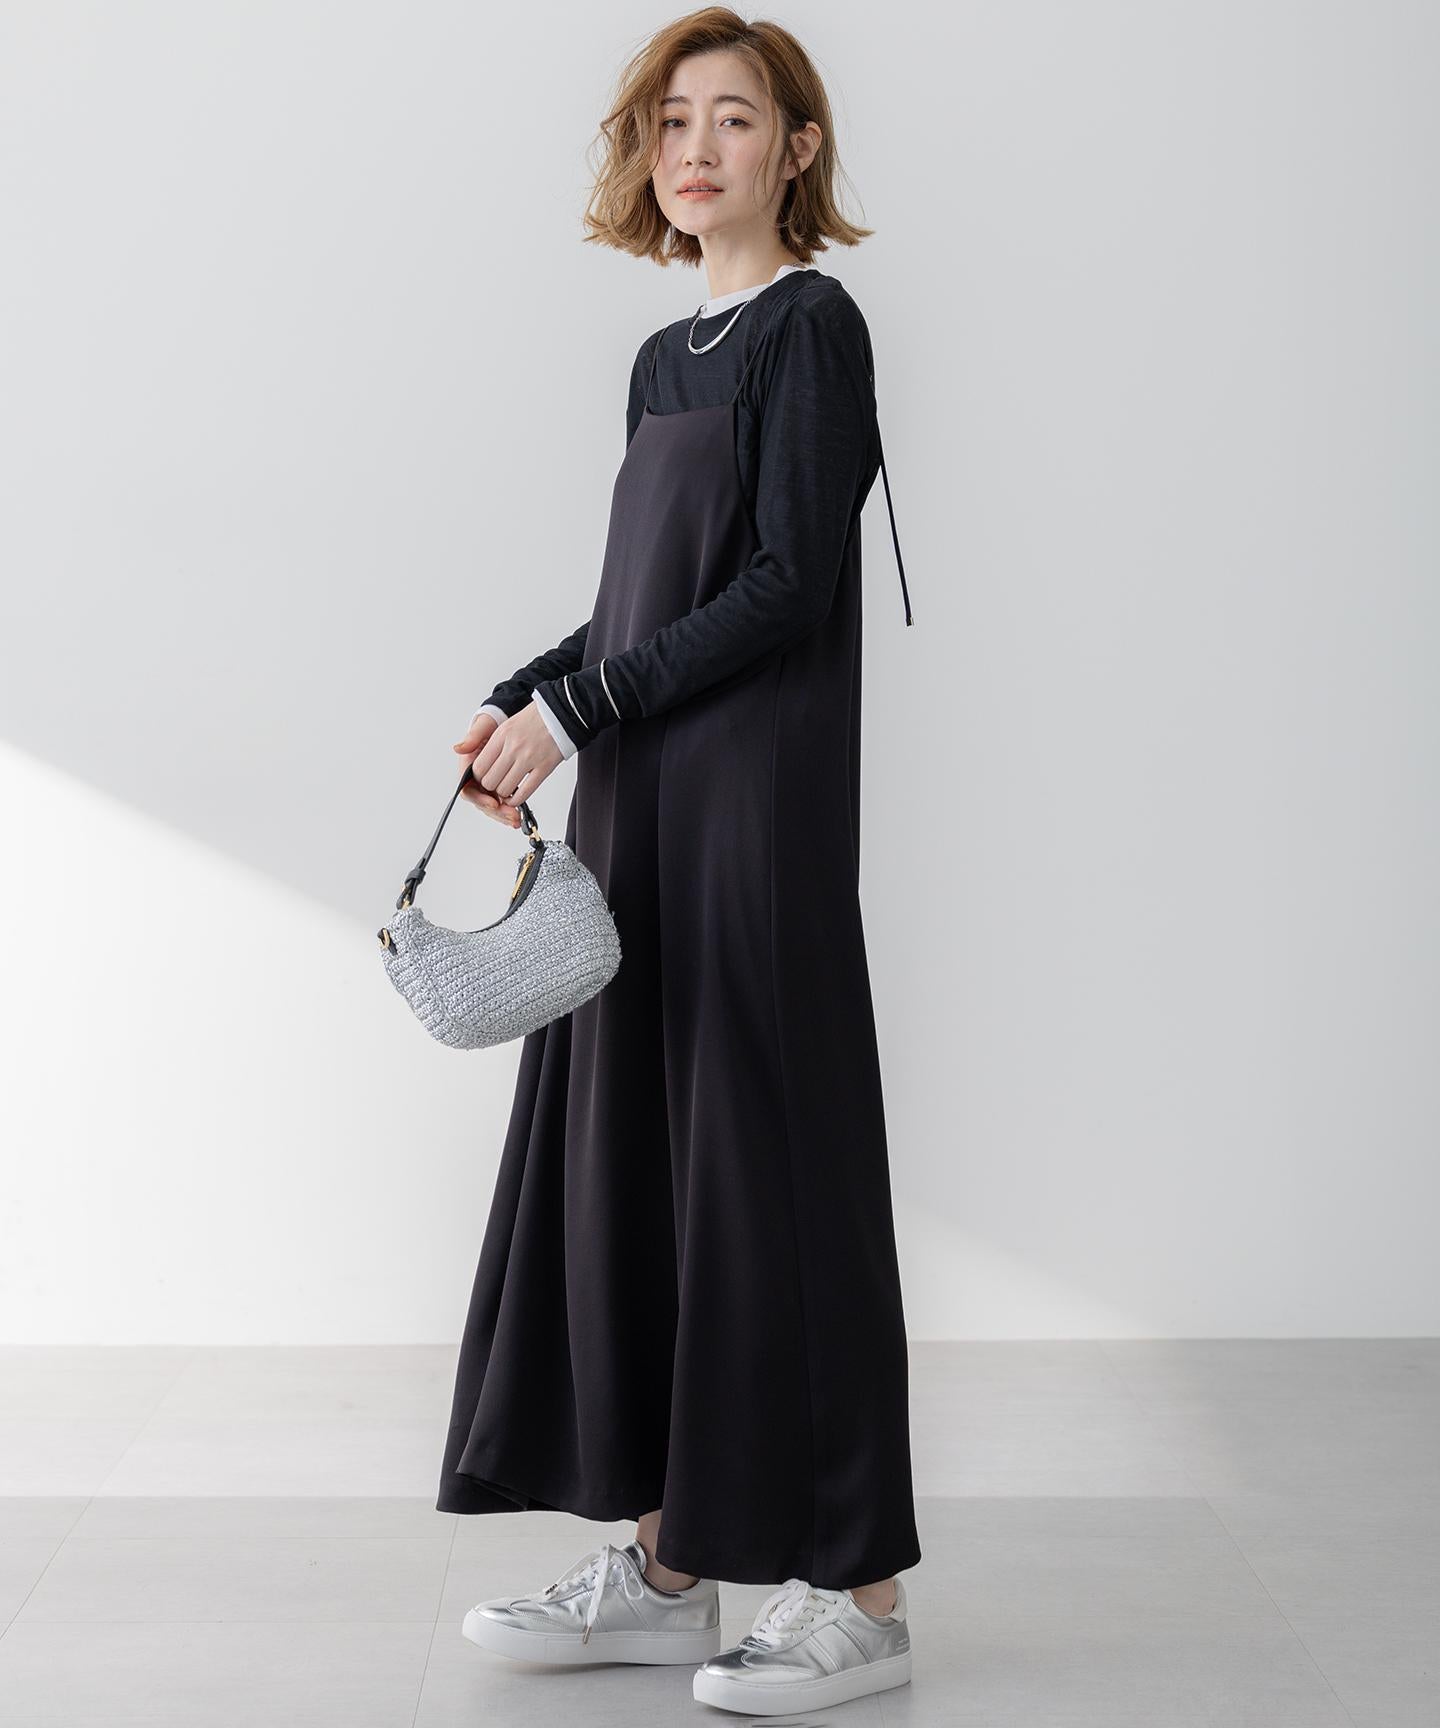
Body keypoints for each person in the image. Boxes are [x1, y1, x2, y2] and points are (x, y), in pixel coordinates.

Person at [436, 9, 919, 1714]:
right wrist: (529, 696)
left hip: (754, 817)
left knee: (772, 1171)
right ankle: (664, 1570)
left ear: (797, 149)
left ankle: (859, 1595)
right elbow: (646, 598)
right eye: (671, 122)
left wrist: (582, 706)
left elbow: (784, 584)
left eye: (735, 118)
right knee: (648, 1166)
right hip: (641, 808)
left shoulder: (814, 328)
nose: (696, 148)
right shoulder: (663, 358)